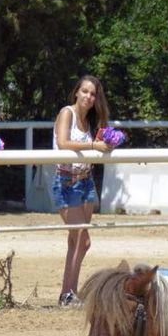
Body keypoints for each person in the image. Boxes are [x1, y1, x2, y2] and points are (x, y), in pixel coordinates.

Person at [52, 75, 112, 307]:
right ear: (76, 92)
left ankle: (69, 292)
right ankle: (67, 292)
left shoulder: (91, 122)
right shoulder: (66, 113)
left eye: (93, 93)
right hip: (66, 181)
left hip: (85, 180)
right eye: (85, 91)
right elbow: (63, 142)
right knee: (80, 238)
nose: (88, 96)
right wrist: (94, 145)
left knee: (78, 240)